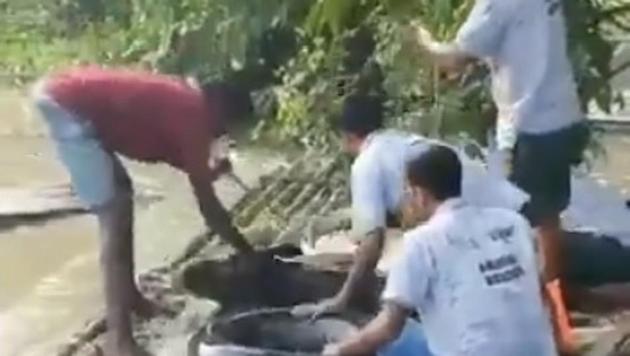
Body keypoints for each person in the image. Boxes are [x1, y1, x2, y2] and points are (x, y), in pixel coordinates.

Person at [405, 0, 589, 352]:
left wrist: (422, 41)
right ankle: (559, 326)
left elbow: (454, 58)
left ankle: (551, 330)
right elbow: (505, 47)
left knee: (526, 225)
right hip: (562, 114)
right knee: (547, 221)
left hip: (532, 124)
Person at [32, 66, 254, 356]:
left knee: (122, 196)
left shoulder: (188, 105)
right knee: (115, 216)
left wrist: (211, 171)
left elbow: (180, 158)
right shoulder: (194, 116)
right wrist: (248, 251)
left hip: (67, 94)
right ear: (221, 109)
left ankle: (132, 299)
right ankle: (119, 341)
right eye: (230, 125)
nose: (226, 133)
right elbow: (209, 208)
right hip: (66, 105)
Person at [293, 95, 528, 318]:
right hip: (514, 218)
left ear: (346, 136)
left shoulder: (367, 163)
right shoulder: (400, 143)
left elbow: (371, 242)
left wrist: (342, 299)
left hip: (493, 233)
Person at [323, 145, 557, 356]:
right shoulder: (513, 222)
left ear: (419, 195)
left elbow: (388, 327)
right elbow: (540, 293)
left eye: (407, 192)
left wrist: (339, 350)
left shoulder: (421, 242)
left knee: (390, 341)